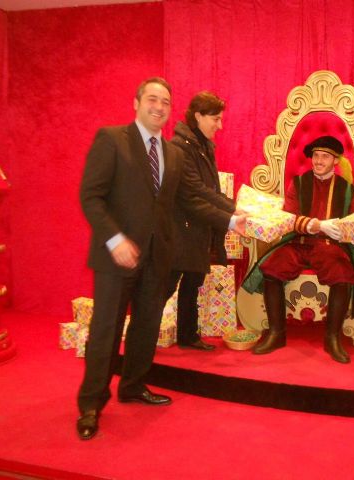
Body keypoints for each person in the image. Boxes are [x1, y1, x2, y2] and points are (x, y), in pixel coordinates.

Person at [76, 77, 244, 440]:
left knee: (147, 326)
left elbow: (191, 200)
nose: (159, 107)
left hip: (157, 256)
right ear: (136, 103)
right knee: (106, 329)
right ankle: (91, 403)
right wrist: (115, 239)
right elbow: (91, 196)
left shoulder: (173, 154)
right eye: (153, 99)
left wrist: (233, 220)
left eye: (166, 102)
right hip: (116, 257)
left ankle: (133, 386)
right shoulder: (112, 139)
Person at [246, 135, 354, 363]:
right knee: (272, 268)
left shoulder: (347, 189)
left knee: (342, 273)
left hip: (329, 246)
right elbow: (289, 218)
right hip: (298, 242)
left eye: (325, 157)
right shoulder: (298, 183)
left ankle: (332, 338)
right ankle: (277, 334)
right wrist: (317, 225)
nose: (318, 161)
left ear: (335, 161)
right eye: (316, 156)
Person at [165, 91, 235, 351]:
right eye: (216, 119)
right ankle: (142, 338)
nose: (220, 125)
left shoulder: (203, 146)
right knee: (164, 287)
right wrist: (232, 213)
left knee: (193, 282)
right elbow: (195, 190)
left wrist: (233, 207)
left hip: (198, 226)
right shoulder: (180, 148)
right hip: (180, 228)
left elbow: (211, 189)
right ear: (198, 116)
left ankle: (188, 335)